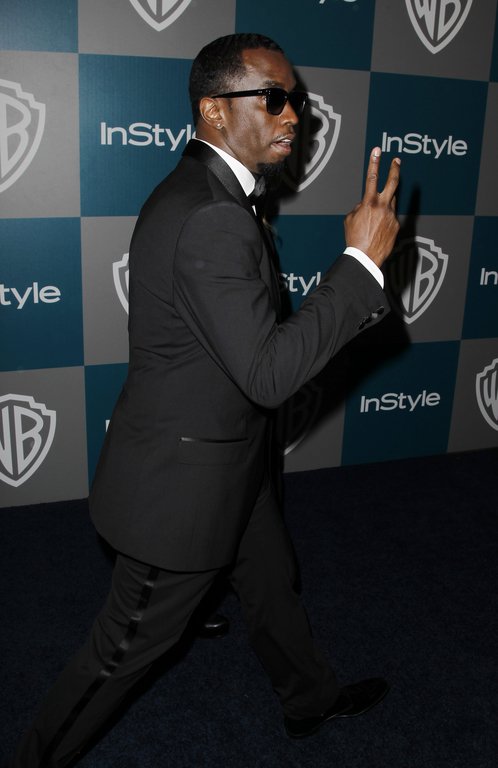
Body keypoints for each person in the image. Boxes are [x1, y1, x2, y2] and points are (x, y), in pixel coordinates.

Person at [10, 32, 400, 767]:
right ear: (214, 110)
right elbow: (268, 374)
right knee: (120, 652)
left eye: (297, 101)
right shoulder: (212, 214)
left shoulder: (210, 193)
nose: (294, 116)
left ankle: (308, 699)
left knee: (271, 583)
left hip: (229, 454)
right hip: (180, 490)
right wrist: (358, 265)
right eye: (274, 99)